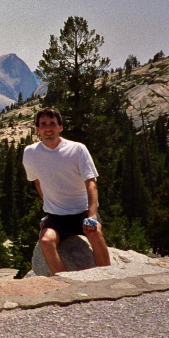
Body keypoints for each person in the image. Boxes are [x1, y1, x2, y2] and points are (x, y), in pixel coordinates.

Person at [22, 107, 111, 273]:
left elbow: (91, 182)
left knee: (95, 233)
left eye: (52, 124)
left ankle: (107, 276)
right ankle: (65, 282)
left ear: (60, 127)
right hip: (57, 216)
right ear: (38, 130)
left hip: (82, 211)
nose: (48, 128)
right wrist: (49, 206)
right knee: (46, 241)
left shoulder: (77, 149)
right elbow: (38, 182)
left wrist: (92, 214)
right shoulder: (30, 153)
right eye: (44, 124)